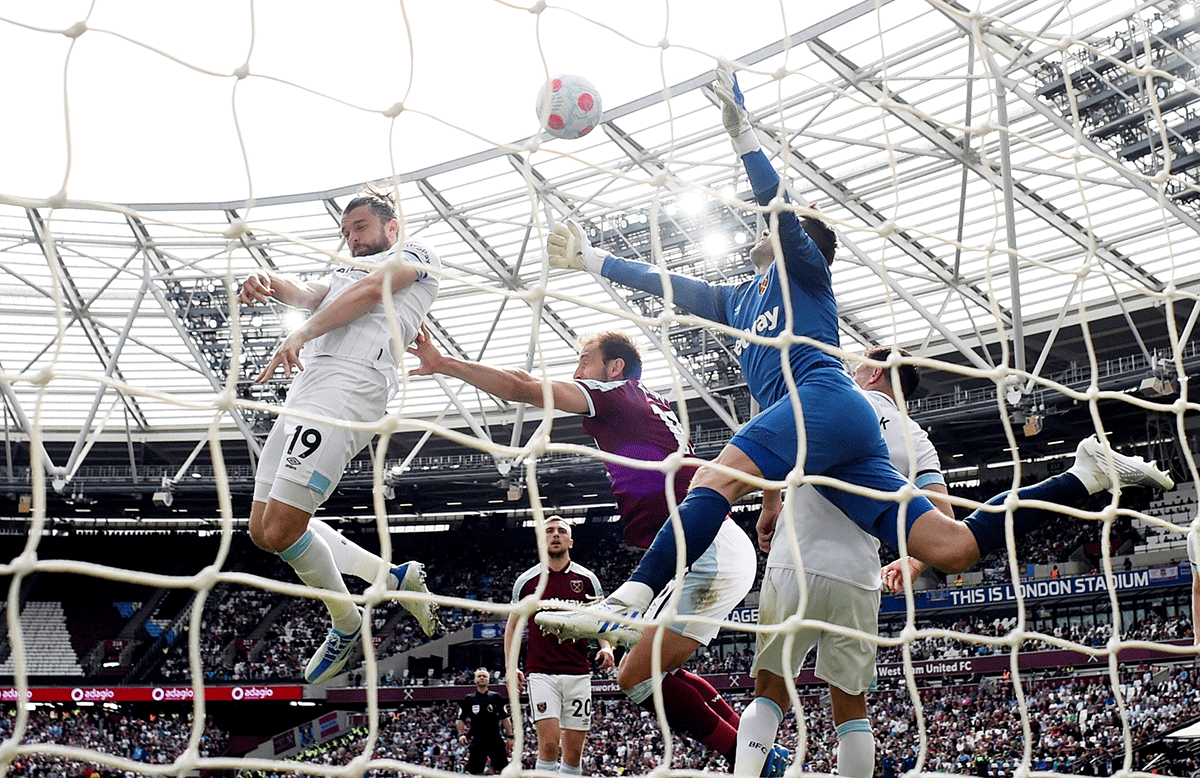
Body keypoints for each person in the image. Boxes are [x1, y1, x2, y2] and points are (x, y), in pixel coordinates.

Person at [534, 62, 1175, 639]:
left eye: (777, 229)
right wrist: (594, 260)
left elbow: (779, 208)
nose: (764, 230)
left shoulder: (807, 275)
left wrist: (743, 138)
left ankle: (626, 600)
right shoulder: (739, 299)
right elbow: (668, 287)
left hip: (823, 401)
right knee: (950, 549)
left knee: (712, 479)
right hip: (830, 435)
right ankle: (1085, 473)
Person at [409, 329, 761, 771]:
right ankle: (756, 750)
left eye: (584, 361)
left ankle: (750, 759)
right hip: (716, 543)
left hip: (704, 551)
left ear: (614, 369)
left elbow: (522, 385)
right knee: (657, 670)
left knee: (634, 679)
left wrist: (446, 365)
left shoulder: (613, 393)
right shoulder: (654, 401)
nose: (577, 372)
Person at [239, 186, 442, 685]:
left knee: (285, 528)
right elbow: (311, 294)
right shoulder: (342, 271)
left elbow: (373, 292)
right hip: (307, 392)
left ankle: (346, 622)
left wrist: (302, 333)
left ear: (391, 229)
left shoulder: (416, 255)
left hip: (350, 388)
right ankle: (392, 576)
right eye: (346, 231)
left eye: (361, 228)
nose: (351, 239)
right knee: (263, 530)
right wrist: (269, 281)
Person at [505, 516, 613, 774]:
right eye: (549, 531)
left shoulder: (586, 580)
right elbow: (512, 627)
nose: (555, 535)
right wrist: (511, 666)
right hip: (541, 672)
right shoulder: (526, 582)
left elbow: (602, 619)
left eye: (561, 531)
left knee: (574, 753)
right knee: (550, 744)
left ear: (570, 541)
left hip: (578, 673)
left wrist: (606, 647)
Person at [457, 667, 514, 774]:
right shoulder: (469, 699)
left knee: (504, 771)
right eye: (479, 676)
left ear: (488, 680)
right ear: (475, 680)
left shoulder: (496, 697)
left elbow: (505, 718)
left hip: (495, 739)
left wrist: (510, 736)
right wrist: (461, 734)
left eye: (484, 676)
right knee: (475, 772)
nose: (482, 678)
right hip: (477, 740)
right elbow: (461, 719)